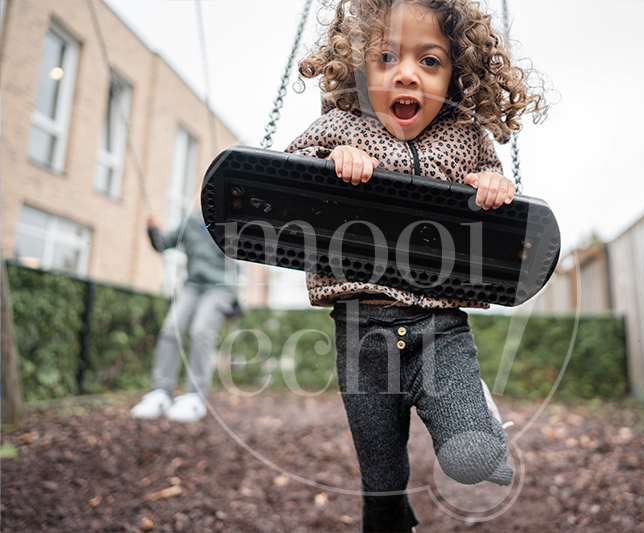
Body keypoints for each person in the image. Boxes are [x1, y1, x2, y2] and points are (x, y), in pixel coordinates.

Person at [286, 0, 546, 530]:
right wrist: (330, 163)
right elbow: (287, 180)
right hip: (362, 335)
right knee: (381, 481)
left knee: (471, 457)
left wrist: (494, 186)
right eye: (386, 57)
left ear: (455, 76)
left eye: (430, 61)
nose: (407, 73)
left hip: (441, 328)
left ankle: (478, 423)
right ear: (359, 68)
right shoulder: (339, 127)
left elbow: (495, 192)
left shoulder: (466, 137)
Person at [130, 208, 238, 422]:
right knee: (171, 329)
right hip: (193, 286)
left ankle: (194, 396)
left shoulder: (230, 221)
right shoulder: (189, 222)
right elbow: (162, 244)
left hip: (220, 286)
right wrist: (152, 228)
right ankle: (161, 392)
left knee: (200, 331)